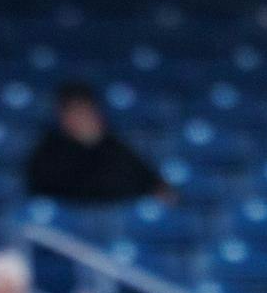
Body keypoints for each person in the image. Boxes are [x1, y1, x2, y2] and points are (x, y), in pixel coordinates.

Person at [22, 81, 167, 204]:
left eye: (86, 111)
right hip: (69, 225)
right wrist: (87, 147)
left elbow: (143, 180)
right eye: (75, 111)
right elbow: (51, 189)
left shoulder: (113, 145)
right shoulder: (48, 149)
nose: (83, 118)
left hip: (115, 220)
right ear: (62, 117)